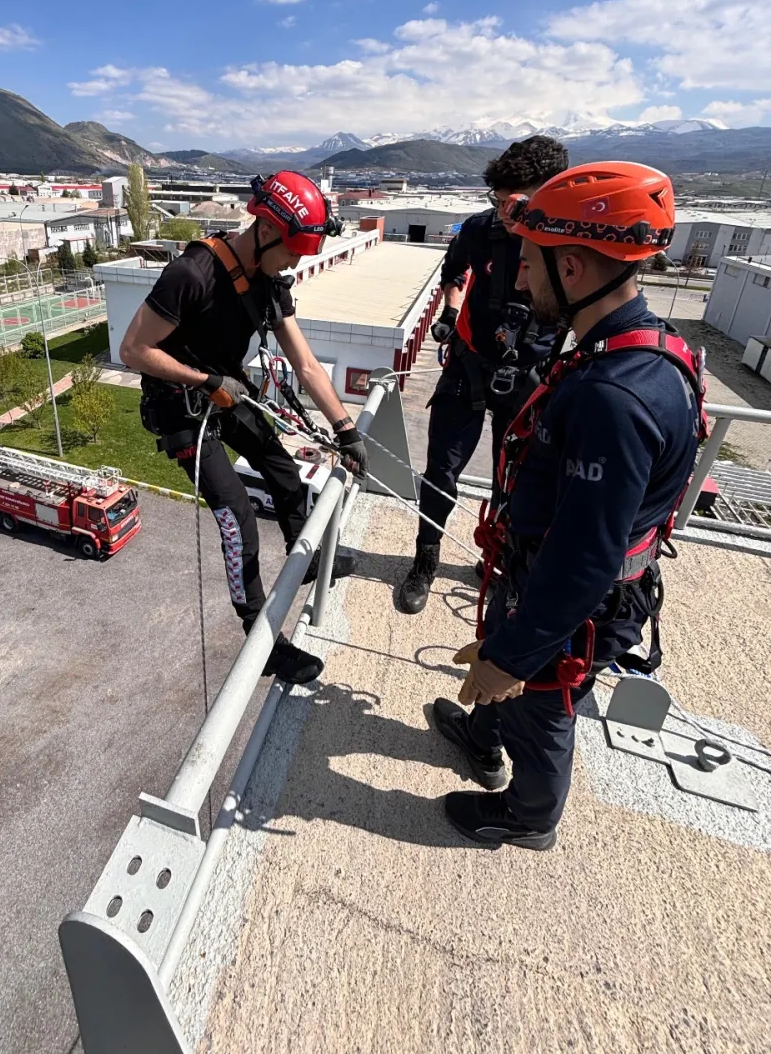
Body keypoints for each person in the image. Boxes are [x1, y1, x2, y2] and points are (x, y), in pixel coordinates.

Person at [431, 160, 705, 850]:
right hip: (541, 572)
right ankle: (481, 735)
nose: (519, 278)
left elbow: (585, 561)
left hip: (571, 601)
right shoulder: (638, 350)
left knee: (544, 707)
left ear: (575, 267)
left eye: (529, 261)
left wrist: (515, 656)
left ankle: (529, 814)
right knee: (510, 668)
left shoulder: (613, 397)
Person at [120, 171, 369, 687]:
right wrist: (206, 380)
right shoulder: (191, 275)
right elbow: (133, 351)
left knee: (282, 469)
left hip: (222, 392)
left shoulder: (269, 282)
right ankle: (262, 638)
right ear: (265, 229)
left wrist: (344, 428)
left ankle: (310, 553)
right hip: (181, 408)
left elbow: (306, 365)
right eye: (294, 250)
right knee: (237, 516)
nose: (298, 261)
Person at [397, 135, 570, 614]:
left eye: (514, 203)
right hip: (469, 368)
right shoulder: (479, 231)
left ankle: (498, 564)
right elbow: (452, 274)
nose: (503, 214)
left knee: (513, 484)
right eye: (497, 202)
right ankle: (424, 562)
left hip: (531, 378)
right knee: (440, 473)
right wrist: (452, 314)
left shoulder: (565, 243)